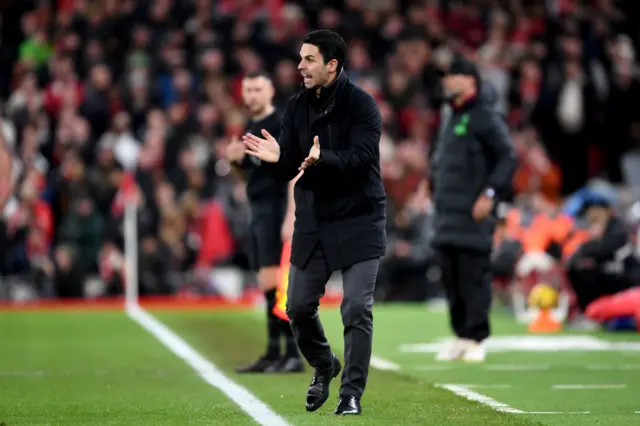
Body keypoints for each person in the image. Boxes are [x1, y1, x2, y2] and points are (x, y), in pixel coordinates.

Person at [242, 30, 385, 416]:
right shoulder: (296, 107)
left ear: (332, 65)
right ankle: (325, 364)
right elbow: (292, 162)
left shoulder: (363, 106)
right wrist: (277, 159)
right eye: (300, 58)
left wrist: (324, 159)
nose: (300, 66)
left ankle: (350, 393)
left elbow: (361, 158)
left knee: (356, 308)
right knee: (298, 307)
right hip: (314, 217)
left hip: (360, 217)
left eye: (308, 59)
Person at [429, 56, 517, 363]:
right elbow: (441, 160)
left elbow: (508, 157)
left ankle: (477, 338)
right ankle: (461, 335)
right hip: (446, 211)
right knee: (450, 276)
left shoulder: (485, 115)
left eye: (452, 75)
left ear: (469, 81)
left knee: (473, 274)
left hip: (474, 212)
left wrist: (489, 194)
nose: (446, 81)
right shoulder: (448, 114)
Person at [226, 70, 303, 374]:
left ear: (270, 91)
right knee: (265, 283)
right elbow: (248, 174)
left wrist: (291, 214)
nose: (251, 95)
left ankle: (292, 353)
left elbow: (294, 170)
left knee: (277, 284)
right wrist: (234, 161)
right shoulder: (250, 127)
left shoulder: (280, 124)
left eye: (257, 89)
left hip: (276, 209)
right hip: (257, 210)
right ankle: (274, 353)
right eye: (247, 90)